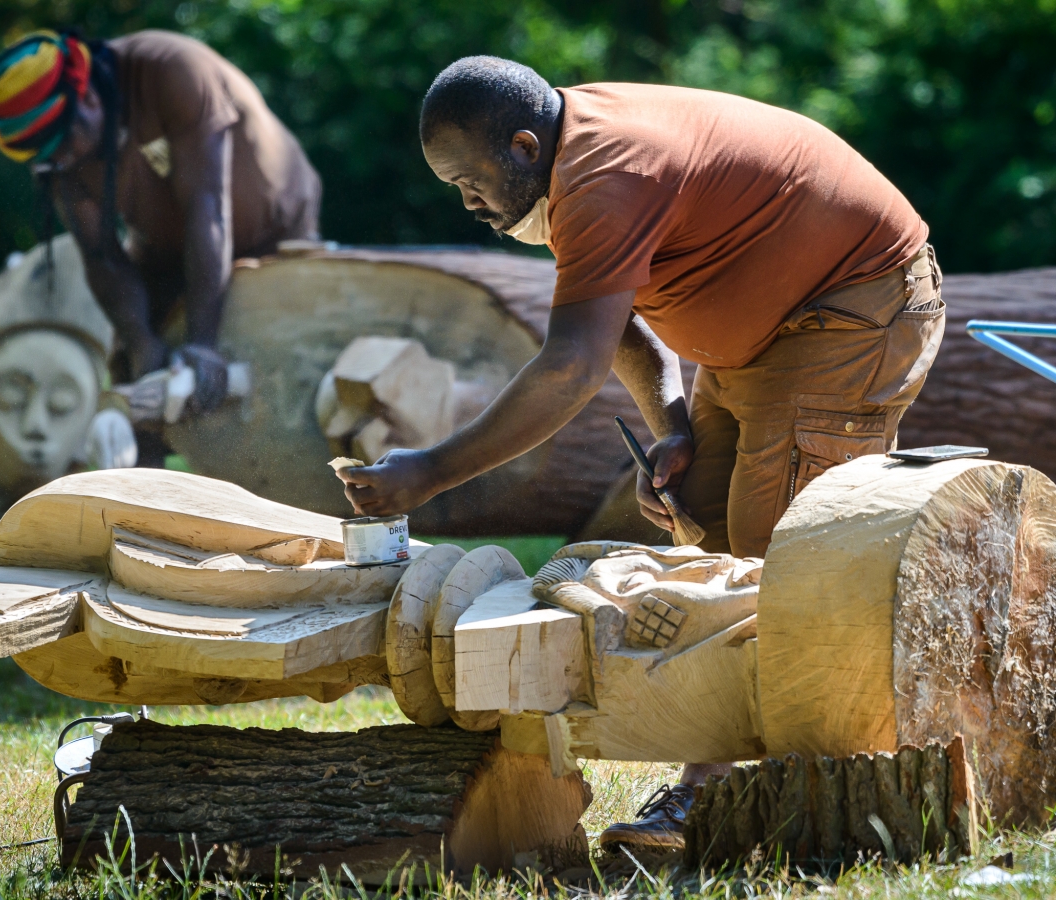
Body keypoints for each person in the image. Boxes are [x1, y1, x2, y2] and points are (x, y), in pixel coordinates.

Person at [337, 56, 945, 852]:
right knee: (707, 532)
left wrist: (431, 471)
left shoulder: (604, 171)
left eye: (469, 180)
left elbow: (571, 366)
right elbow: (620, 330)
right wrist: (673, 427)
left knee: (771, 564)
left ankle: (724, 798)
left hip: (852, 306)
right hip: (764, 335)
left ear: (524, 146)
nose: (467, 202)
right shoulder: (569, 163)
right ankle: (742, 772)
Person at [0, 29, 321, 414]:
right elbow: (101, 254)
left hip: (274, 229)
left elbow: (207, 207)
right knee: (131, 372)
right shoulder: (58, 160)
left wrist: (202, 342)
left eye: (60, 146)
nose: (59, 163)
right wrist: (142, 343)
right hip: (164, 250)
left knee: (284, 380)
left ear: (88, 98)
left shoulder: (170, 70)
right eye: (42, 158)